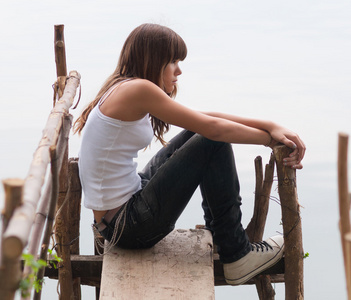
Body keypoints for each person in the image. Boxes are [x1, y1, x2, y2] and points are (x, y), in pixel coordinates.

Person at [74, 23, 305, 286]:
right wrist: (268, 140)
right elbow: (212, 129)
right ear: (153, 59)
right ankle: (236, 254)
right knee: (212, 140)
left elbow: (205, 118)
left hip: (120, 216)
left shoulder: (124, 86)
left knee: (200, 135)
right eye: (172, 61)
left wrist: (269, 125)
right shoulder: (138, 89)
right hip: (128, 227)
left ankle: (225, 238)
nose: (179, 70)